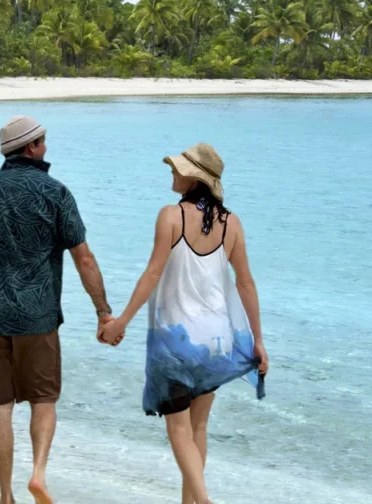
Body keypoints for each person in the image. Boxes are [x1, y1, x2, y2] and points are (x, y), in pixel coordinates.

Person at [0, 115, 116, 504]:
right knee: (43, 400)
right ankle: (38, 475)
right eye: (43, 142)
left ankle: (5, 495)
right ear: (32, 147)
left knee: (0, 407)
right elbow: (84, 259)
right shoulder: (55, 193)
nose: (46, 147)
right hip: (37, 316)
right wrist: (103, 312)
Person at [99, 143, 267, 504]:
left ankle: (203, 501)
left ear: (193, 177)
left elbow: (153, 273)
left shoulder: (170, 216)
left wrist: (121, 322)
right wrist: (258, 340)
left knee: (178, 427)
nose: (172, 173)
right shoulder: (231, 223)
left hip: (174, 341)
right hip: (215, 342)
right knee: (199, 427)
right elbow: (246, 283)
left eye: (177, 169)